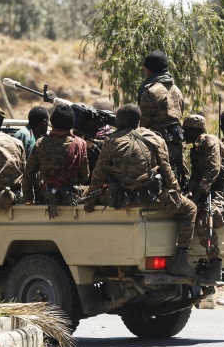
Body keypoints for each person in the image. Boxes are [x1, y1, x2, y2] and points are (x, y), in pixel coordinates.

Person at [84, 105, 201, 280]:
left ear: (122, 121)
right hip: (153, 196)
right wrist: (176, 192)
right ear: (138, 120)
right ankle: (180, 260)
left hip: (121, 199)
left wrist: (90, 201)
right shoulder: (155, 138)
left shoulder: (111, 141)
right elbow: (167, 171)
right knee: (189, 209)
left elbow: (99, 175)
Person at [183, 114, 224, 282]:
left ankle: (216, 265)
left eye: (185, 130)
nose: (182, 134)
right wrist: (189, 191)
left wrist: (199, 193)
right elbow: (196, 176)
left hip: (222, 190)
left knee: (206, 220)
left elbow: (213, 171)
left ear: (192, 130)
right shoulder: (196, 147)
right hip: (209, 190)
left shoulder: (209, 141)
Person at [22, 104, 90, 218]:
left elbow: (28, 175)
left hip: (46, 198)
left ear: (52, 122)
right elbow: (85, 175)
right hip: (73, 199)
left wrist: (29, 201)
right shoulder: (80, 144)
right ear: (71, 124)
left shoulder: (40, 143)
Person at [137, 50, 188, 187]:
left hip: (155, 148)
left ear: (148, 70)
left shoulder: (150, 91)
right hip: (176, 146)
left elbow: (142, 124)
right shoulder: (177, 90)